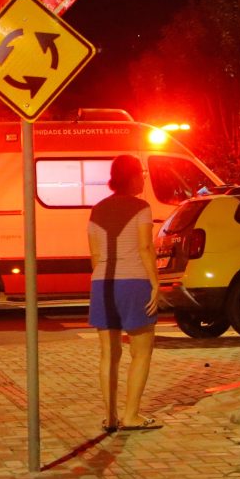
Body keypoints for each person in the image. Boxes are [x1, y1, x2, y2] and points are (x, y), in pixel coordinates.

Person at [88, 154, 161, 433]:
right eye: (140, 173)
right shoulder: (141, 207)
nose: (143, 177)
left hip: (102, 283)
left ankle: (110, 417)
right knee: (141, 353)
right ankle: (131, 415)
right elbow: (145, 248)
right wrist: (155, 282)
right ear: (131, 177)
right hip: (133, 282)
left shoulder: (97, 210)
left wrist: (104, 275)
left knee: (109, 353)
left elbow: (94, 253)